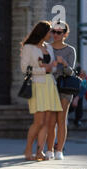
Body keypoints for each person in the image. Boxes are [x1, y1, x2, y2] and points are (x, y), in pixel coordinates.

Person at [20, 20, 62, 161]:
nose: (52, 34)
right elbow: (24, 68)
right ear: (42, 32)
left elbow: (53, 68)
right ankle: (27, 151)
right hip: (37, 85)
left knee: (48, 121)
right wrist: (44, 68)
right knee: (39, 121)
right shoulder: (28, 47)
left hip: (50, 84)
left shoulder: (48, 48)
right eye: (50, 31)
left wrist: (52, 66)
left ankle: (40, 152)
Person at [45, 21, 76, 160]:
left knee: (61, 119)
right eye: (53, 32)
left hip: (65, 88)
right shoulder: (46, 47)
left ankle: (59, 150)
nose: (55, 35)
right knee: (50, 120)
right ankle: (49, 150)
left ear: (65, 34)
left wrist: (63, 63)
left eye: (59, 32)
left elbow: (71, 71)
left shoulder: (70, 50)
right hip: (50, 86)